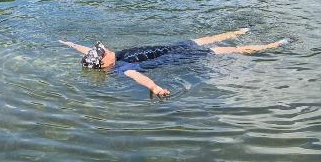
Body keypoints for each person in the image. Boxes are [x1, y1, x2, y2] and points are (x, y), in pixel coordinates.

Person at [60, 28, 289, 97]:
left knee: (206, 38)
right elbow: (139, 77)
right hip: (175, 56)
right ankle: (272, 45)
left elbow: (87, 51)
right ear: (102, 64)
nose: (106, 49)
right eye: (103, 51)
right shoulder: (122, 68)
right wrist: (154, 88)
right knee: (224, 50)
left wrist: (70, 43)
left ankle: (242, 30)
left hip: (171, 47)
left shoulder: (114, 57)